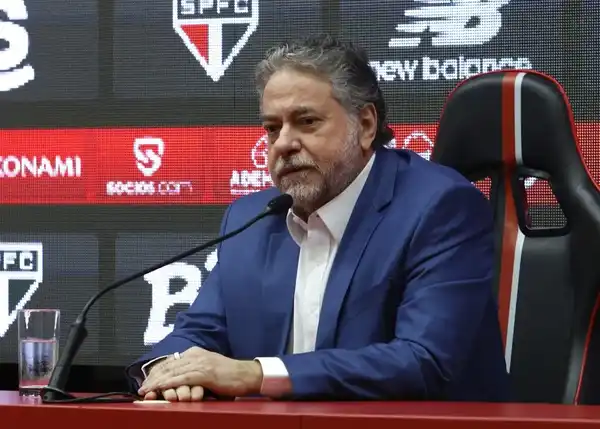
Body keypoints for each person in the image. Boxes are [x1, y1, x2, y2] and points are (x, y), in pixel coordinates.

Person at [127, 34, 510, 402]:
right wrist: (168, 371)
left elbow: (423, 360)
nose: (283, 143)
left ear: (365, 126)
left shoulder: (439, 207)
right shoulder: (251, 218)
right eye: (272, 128)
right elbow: (198, 332)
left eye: (306, 121)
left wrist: (255, 375)